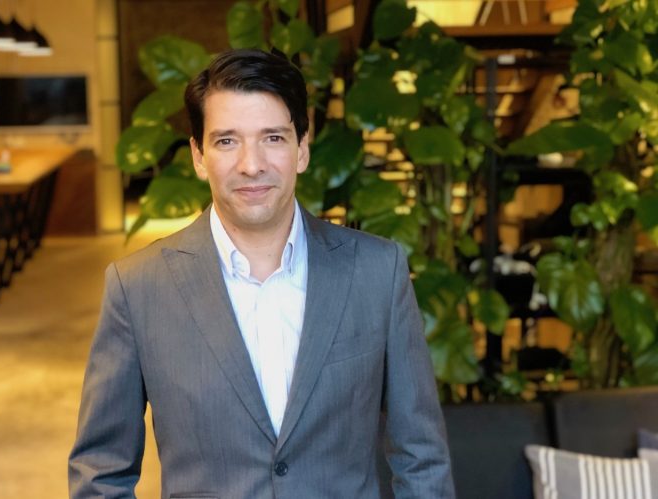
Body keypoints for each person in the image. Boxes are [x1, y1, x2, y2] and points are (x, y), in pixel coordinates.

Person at [69, 48, 454, 498]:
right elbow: (100, 473)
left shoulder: (376, 272)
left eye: (272, 137)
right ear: (198, 156)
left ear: (302, 149)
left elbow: (421, 457)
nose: (252, 165)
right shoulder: (138, 288)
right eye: (226, 141)